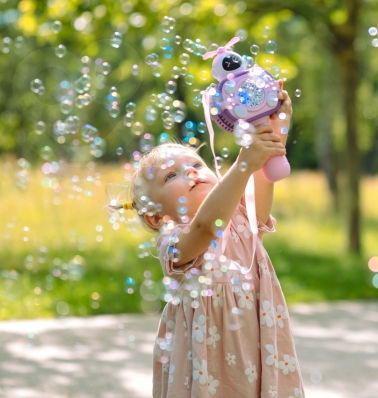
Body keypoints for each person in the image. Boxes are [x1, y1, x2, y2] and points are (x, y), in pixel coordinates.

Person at [109, 82, 305, 398]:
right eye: (170, 177)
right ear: (155, 217)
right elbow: (205, 228)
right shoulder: (174, 239)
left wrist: (273, 129)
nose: (191, 173)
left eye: (196, 165)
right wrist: (243, 164)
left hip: (257, 344)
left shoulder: (241, 213)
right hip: (208, 363)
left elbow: (262, 181)